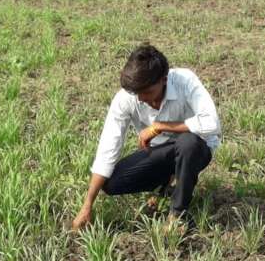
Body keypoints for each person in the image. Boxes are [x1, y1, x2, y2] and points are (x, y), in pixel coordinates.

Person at [72, 44, 221, 232]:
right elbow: (108, 148)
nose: (141, 99)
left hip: (197, 148)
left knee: (187, 143)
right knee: (111, 183)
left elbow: (212, 123)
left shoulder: (185, 81)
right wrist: (87, 205)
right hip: (162, 152)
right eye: (137, 93)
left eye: (147, 92)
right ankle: (166, 184)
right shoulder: (127, 98)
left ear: (164, 79)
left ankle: (178, 215)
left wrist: (160, 126)